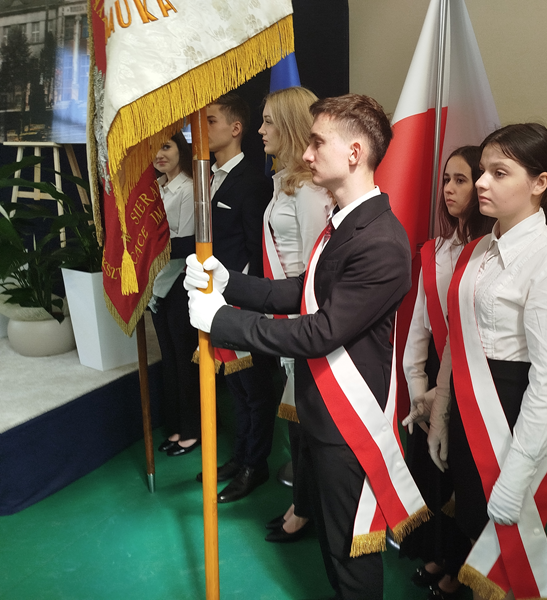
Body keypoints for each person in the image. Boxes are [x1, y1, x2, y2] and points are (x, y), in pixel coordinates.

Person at [185, 94, 428, 600]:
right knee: (334, 547)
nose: (307, 153)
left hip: (349, 423)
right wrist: (228, 282)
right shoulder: (346, 221)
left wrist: (222, 321)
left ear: (355, 153)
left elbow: (319, 331)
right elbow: (303, 290)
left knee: (351, 554)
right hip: (322, 410)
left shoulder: (381, 241)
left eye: (318, 143)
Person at [435, 124, 547, 600]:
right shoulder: (480, 248)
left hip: (511, 410)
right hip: (468, 402)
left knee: (503, 535)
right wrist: (440, 411)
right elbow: (458, 337)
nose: (481, 182)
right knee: (470, 514)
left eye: (499, 173)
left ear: (539, 183)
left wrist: (517, 476)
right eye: (482, 171)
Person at [400, 146, 492, 599]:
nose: (450, 189)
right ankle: (437, 553)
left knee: (465, 481)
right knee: (431, 473)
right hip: (435, 373)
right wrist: (418, 387)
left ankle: (459, 567)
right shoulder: (435, 250)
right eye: (446, 180)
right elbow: (419, 325)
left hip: (474, 380)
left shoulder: (489, 252)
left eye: (461, 180)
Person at [197, 92, 283, 503]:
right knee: (236, 389)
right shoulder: (208, 176)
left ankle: (255, 464)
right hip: (215, 301)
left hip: (241, 303)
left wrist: (243, 302)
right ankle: (239, 456)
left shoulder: (253, 181)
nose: (202, 129)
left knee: (255, 389)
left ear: (235, 128)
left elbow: (257, 250)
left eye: (210, 121)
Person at [257, 86, 332, 543]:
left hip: (302, 321)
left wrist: (294, 330)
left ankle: (305, 510)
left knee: (305, 423)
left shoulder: (308, 192)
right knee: (296, 422)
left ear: (288, 126)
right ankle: (302, 503)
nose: (261, 130)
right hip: (286, 318)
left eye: (268, 121)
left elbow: (314, 272)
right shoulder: (286, 181)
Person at [151, 131, 201, 457]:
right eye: (155, 148)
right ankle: (176, 425)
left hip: (180, 284)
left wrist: (149, 251)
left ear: (181, 149)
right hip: (157, 286)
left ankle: (193, 429)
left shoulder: (188, 188)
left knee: (185, 361)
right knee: (169, 361)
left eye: (166, 146)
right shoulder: (155, 188)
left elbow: (186, 244)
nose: (159, 154)